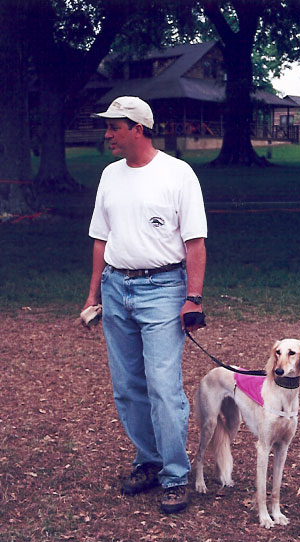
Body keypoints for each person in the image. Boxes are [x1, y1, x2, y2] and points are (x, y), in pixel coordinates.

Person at [82, 96, 207, 514]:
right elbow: (101, 237)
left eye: (114, 127)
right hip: (117, 288)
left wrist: (192, 298)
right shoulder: (109, 176)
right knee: (128, 387)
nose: (107, 134)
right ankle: (149, 461)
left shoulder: (178, 174)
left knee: (164, 386)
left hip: (164, 289)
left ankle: (175, 475)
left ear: (137, 128)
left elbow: (195, 243)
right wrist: (93, 293)